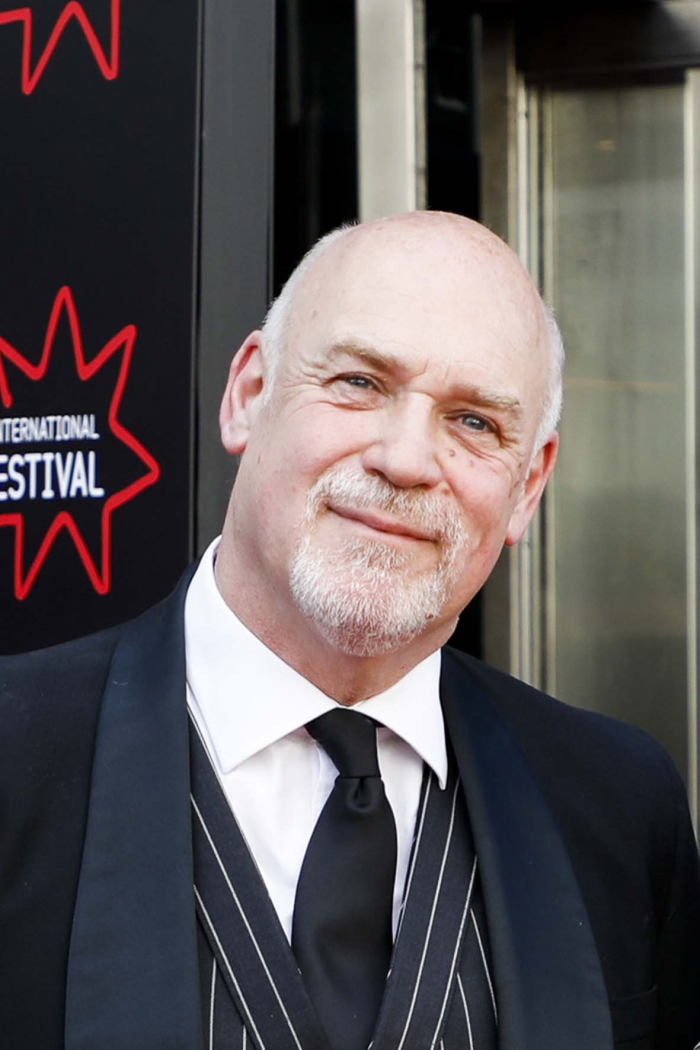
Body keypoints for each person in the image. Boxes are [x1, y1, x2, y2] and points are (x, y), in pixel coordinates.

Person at [1, 212, 699, 1050]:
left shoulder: (620, 806)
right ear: (249, 395)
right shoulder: (15, 756)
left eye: (474, 422)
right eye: (360, 383)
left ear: (527, 488)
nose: (405, 460)